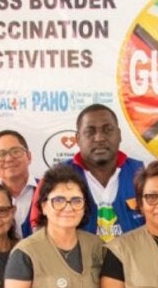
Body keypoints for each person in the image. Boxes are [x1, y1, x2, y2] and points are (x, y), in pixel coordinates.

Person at [62, 103, 146, 242]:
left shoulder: (143, 172)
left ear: (119, 135)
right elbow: (41, 230)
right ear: (78, 139)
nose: (99, 138)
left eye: (107, 130)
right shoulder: (57, 178)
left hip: (134, 262)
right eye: (90, 132)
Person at [0, 129, 38, 238]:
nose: (9, 158)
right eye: (1, 154)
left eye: (15, 151)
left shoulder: (48, 190)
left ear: (29, 157)